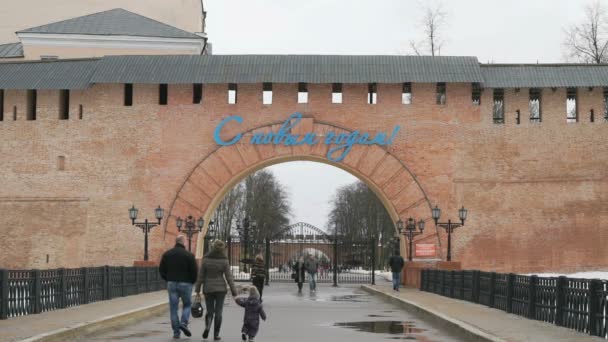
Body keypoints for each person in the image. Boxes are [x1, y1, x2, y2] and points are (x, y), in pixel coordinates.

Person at [195, 240, 238, 341]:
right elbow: (229, 277)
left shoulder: (206, 259)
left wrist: (197, 290)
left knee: (210, 311)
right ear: (222, 249)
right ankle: (216, 334)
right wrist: (234, 291)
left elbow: (200, 276)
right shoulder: (224, 260)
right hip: (220, 289)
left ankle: (207, 326)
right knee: (219, 312)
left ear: (213, 247)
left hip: (208, 288)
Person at [159, 235, 198, 339]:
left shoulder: (167, 254)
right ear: (184, 242)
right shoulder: (189, 255)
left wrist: (167, 278)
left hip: (171, 283)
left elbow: (161, 269)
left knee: (173, 308)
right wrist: (192, 281)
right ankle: (184, 323)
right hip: (186, 284)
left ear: (176, 242)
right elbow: (194, 271)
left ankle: (176, 333)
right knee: (187, 305)